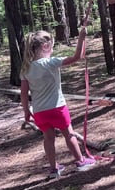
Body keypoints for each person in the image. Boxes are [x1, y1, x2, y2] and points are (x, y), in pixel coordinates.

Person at [20, 27, 96, 178]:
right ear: (45, 46)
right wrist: (81, 37)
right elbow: (77, 57)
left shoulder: (26, 69)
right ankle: (81, 161)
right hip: (57, 108)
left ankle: (54, 169)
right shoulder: (51, 62)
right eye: (52, 46)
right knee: (69, 134)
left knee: (48, 138)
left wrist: (26, 111)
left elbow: (23, 93)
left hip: (39, 111)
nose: (53, 50)